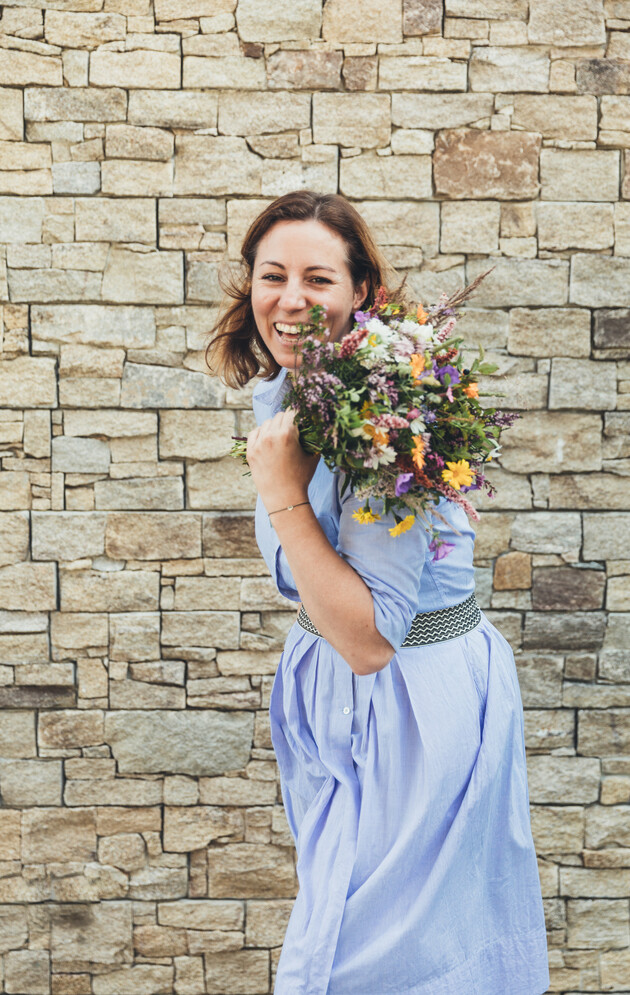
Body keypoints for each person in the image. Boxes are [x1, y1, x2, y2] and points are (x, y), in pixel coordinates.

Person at [207, 190, 550, 995]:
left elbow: (367, 638)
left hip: (405, 711)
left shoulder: (386, 413)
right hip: (350, 707)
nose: (291, 299)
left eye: (318, 278)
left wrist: (283, 493)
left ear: (360, 290)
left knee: (377, 963)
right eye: (273, 275)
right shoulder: (301, 391)